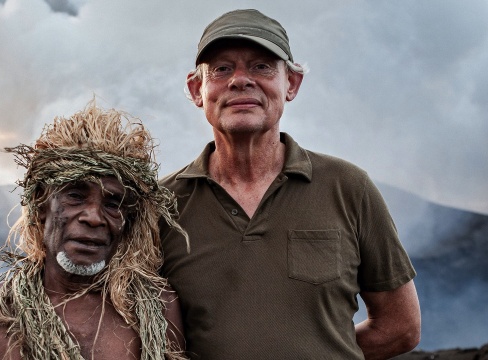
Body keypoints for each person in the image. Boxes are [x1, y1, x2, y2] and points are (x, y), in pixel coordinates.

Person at [160, 9, 421, 360]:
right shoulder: (162, 205)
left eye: (261, 66)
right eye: (222, 69)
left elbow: (400, 327)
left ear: (292, 84)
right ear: (197, 89)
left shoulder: (348, 187)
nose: (240, 80)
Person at [0, 101, 189, 360]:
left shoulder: (157, 309)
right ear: (41, 203)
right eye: (75, 196)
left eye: (112, 203)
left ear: (127, 219)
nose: (94, 217)